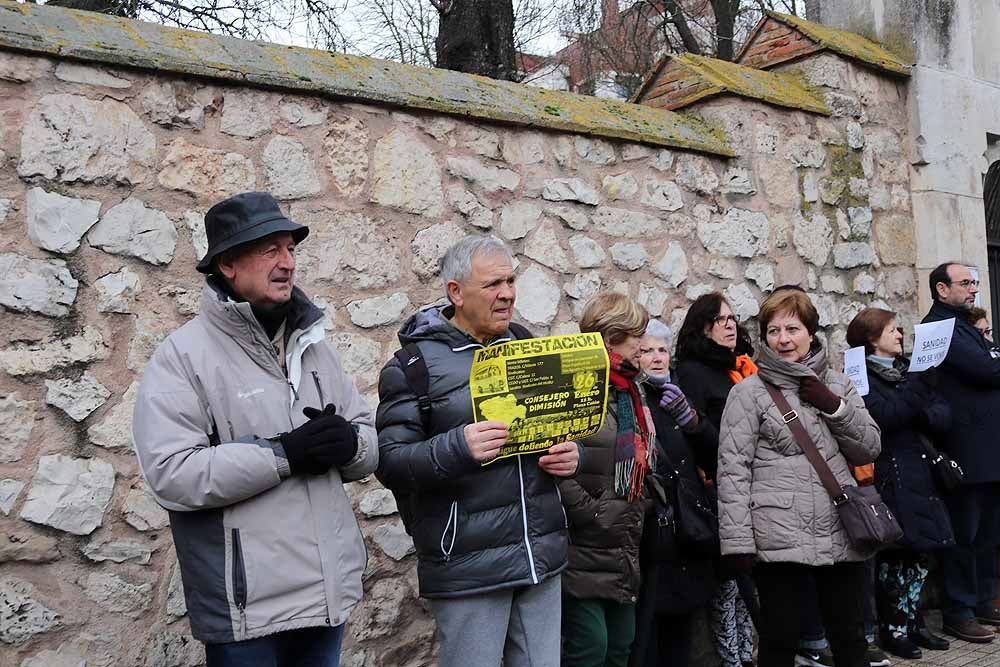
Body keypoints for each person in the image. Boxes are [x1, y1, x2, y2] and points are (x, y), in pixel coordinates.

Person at [132, 192, 377, 666]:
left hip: (325, 601)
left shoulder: (315, 347)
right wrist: (282, 455)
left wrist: (350, 445)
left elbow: (369, 441)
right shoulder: (182, 357)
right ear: (227, 264)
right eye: (271, 250)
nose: (287, 263)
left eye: (291, 249)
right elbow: (171, 474)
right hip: (247, 614)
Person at [375, 235, 580, 667]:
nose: (507, 293)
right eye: (492, 285)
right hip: (468, 564)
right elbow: (390, 462)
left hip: (537, 554)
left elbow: (552, 425)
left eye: (510, 281)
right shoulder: (412, 366)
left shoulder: (526, 344)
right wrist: (457, 446)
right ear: (455, 292)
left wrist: (568, 455)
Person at [717, 288, 881, 667]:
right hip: (778, 531)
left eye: (792, 328)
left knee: (849, 636)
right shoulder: (748, 394)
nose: (783, 339)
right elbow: (733, 470)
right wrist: (738, 541)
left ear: (811, 331)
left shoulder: (839, 385)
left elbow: (869, 448)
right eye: (773, 331)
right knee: (780, 638)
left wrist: (834, 407)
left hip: (840, 525)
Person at [847, 307, 956, 659]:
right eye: (892, 330)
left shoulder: (910, 370)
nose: (899, 335)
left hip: (920, 471)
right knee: (896, 557)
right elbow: (886, 416)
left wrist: (917, 405)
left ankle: (914, 622)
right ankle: (893, 628)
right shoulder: (861, 376)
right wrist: (917, 397)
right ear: (871, 337)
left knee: (920, 553)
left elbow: (942, 415)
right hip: (890, 474)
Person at [557, 291, 654, 667]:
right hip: (583, 545)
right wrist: (590, 512)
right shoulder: (575, 388)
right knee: (590, 647)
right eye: (636, 337)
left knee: (620, 647)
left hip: (622, 543)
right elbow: (547, 456)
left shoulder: (630, 390)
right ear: (611, 338)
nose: (643, 346)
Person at [673, 292, 756, 667]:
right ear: (702, 326)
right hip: (718, 485)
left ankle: (749, 653)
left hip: (751, 482)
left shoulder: (738, 366)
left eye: (732, 318)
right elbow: (695, 432)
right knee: (728, 581)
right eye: (720, 320)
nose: (730, 325)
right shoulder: (692, 370)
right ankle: (731, 660)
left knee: (749, 582)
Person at [631, 319, 718, 667]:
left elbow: (714, 457)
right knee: (649, 633)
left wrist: (693, 421)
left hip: (689, 532)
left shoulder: (679, 393)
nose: (656, 357)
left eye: (662, 349)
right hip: (654, 536)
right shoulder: (632, 400)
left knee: (682, 631)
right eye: (646, 351)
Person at [923, 262, 1000, 642]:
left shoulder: (963, 325)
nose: (973, 289)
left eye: (975, 282)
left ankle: (985, 599)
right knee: (964, 534)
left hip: (987, 450)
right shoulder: (940, 328)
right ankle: (960, 609)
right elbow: (986, 370)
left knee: (987, 532)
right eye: (966, 283)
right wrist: (992, 358)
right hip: (964, 451)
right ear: (941, 289)